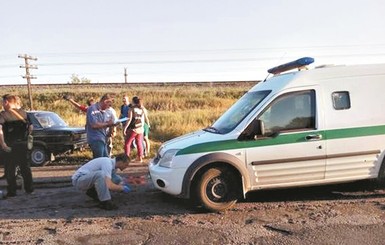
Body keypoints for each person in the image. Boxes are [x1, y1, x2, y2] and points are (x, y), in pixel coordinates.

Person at [0, 94, 34, 197]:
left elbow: (0, 130)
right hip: (23, 145)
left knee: (10, 169)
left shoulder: (3, 115)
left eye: (3, 102)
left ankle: (12, 191)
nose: (2, 104)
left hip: (10, 145)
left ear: (7, 102)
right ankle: (29, 189)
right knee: (25, 168)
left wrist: (3, 144)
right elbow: (31, 128)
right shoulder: (24, 113)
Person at [86, 93, 116, 159]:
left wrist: (112, 125)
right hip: (95, 138)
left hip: (103, 138)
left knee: (105, 160)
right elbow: (94, 124)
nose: (109, 107)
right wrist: (108, 124)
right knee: (99, 160)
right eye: (109, 104)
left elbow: (103, 123)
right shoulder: (92, 109)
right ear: (105, 102)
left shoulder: (103, 111)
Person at [123, 96, 150, 162]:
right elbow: (146, 118)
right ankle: (140, 157)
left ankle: (126, 158)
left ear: (133, 102)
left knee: (127, 143)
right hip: (140, 128)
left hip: (133, 129)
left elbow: (129, 120)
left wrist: (125, 128)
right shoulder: (142, 109)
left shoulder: (131, 109)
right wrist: (148, 124)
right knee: (139, 143)